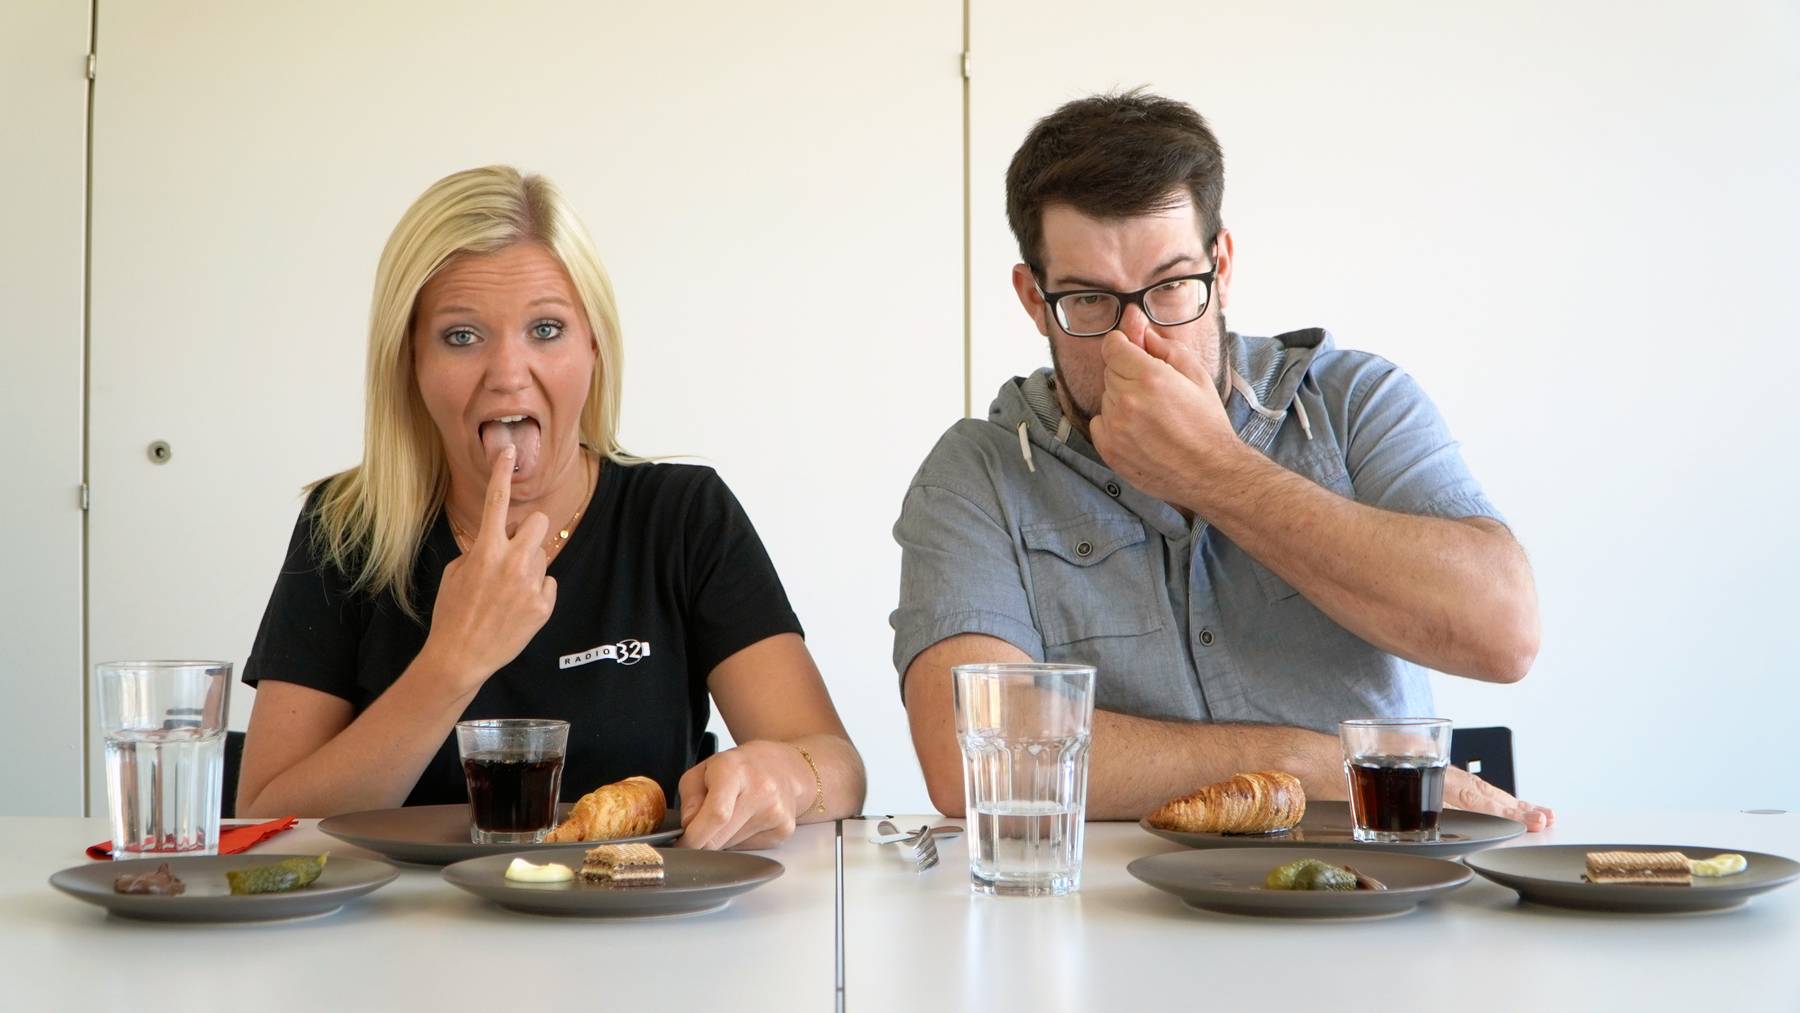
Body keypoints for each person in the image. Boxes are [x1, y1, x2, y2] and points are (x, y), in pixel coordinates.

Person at [892, 92, 1552, 829]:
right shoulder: (977, 473)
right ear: (1034, 300)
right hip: (1119, 915)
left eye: (1173, 285)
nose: (1137, 338)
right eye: (1087, 300)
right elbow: (969, 759)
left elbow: (1505, 634)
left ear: (1223, 266)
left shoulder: (1352, 402)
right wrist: (1308, 766)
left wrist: (1215, 470)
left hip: (1376, 900)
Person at [237, 166, 864, 849]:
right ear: (408, 361)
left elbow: (839, 771)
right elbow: (267, 817)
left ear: (594, 347)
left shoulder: (682, 516)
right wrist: (452, 663)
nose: (509, 374)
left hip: (639, 931)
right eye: (461, 336)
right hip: (406, 935)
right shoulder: (345, 529)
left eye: (545, 328)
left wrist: (787, 773)